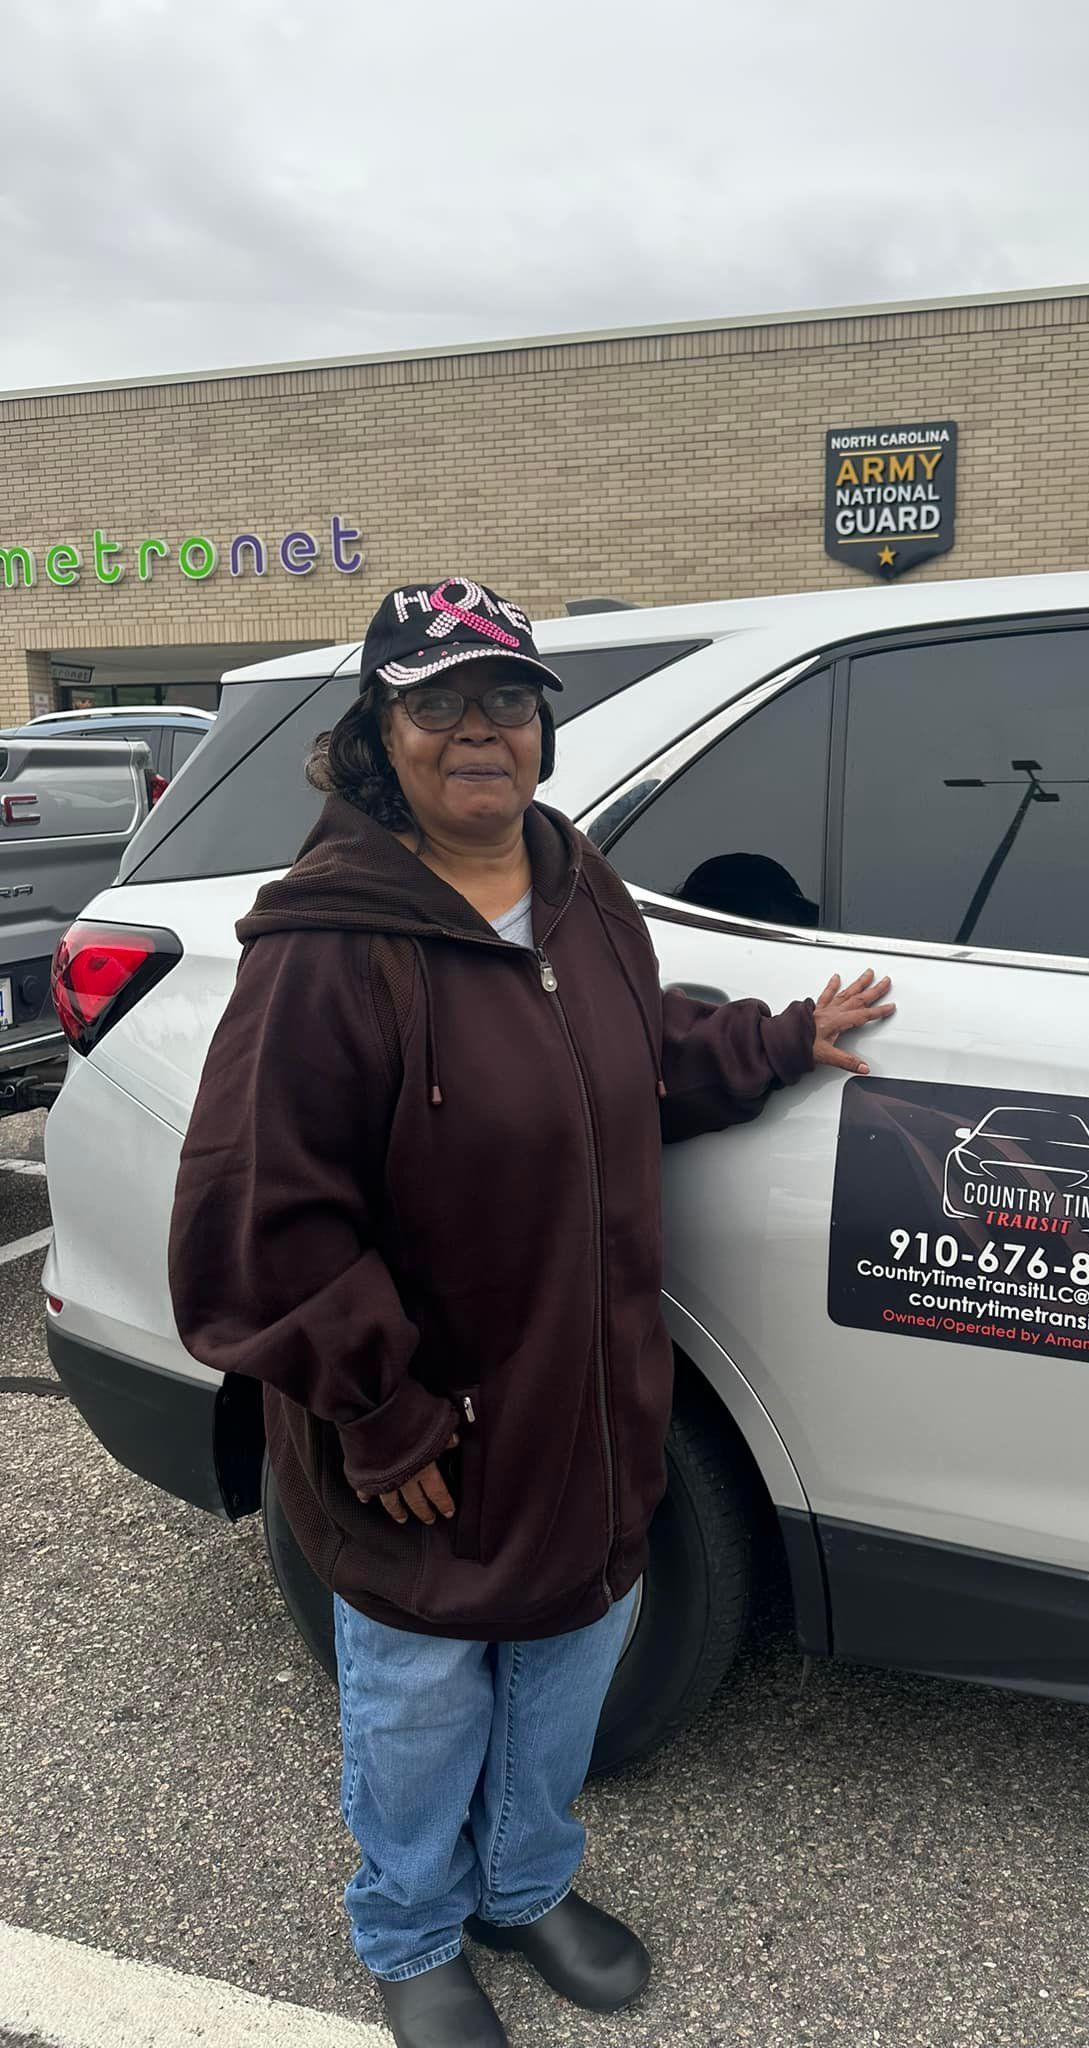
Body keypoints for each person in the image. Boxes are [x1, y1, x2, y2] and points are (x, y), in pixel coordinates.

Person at [168, 577, 894, 2048]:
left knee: (569, 1666)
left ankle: (523, 1881)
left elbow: (629, 1046)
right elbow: (262, 1219)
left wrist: (774, 1041)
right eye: (436, 703)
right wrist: (380, 1413)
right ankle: (412, 1930)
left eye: (506, 699)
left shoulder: (576, 888)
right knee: (422, 1697)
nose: (478, 731)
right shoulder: (326, 947)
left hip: (591, 1402)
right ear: (381, 737)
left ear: (544, 731)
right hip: (426, 1430)